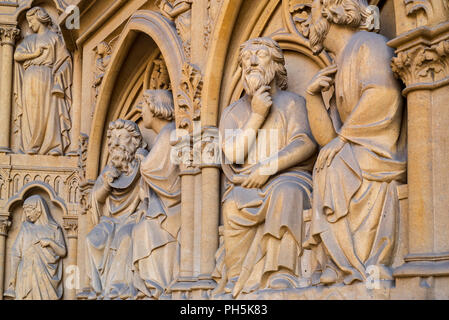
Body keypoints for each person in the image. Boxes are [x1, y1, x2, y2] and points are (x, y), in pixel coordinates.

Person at [303, 0, 407, 285]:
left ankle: (354, 264)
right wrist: (313, 97)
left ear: (331, 10)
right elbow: (328, 141)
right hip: (357, 148)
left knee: (334, 165)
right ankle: (340, 263)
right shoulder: (339, 63)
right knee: (329, 161)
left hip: (379, 150)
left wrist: (344, 140)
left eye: (311, 11)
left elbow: (383, 94)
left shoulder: (368, 44)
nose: (305, 20)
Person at [216, 37, 317, 297]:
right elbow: (234, 153)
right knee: (232, 206)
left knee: (286, 193)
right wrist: (257, 115)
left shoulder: (293, 102)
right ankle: (238, 277)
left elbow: (305, 143)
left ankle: (280, 270)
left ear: (275, 64)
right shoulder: (232, 112)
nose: (250, 62)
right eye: (245, 59)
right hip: (247, 185)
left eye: (259, 55)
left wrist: (267, 168)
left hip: (288, 177)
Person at [80, 119, 147, 300]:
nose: (116, 143)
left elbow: (147, 194)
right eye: (113, 139)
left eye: (122, 138)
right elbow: (96, 199)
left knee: (125, 238)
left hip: (132, 219)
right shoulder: (109, 169)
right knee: (92, 239)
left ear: (134, 142)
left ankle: (120, 289)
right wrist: (107, 185)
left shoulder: (142, 165)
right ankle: (96, 289)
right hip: (110, 221)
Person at [132, 89, 181, 299]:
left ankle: (159, 286)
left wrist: (144, 162)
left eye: (143, 105)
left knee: (145, 230)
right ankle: (154, 287)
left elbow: (164, 175)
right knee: (141, 228)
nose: (141, 111)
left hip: (174, 208)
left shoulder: (170, 134)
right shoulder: (163, 136)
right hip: (163, 206)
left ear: (155, 107)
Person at [13, 6, 72, 155]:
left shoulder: (54, 38)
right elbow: (16, 56)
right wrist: (34, 54)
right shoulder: (29, 39)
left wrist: (59, 76)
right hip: (30, 78)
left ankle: (52, 145)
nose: (30, 24)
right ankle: (30, 146)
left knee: (49, 111)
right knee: (32, 113)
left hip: (48, 76)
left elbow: (65, 59)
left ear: (39, 18)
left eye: (31, 20)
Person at [4, 195, 66, 300]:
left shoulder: (55, 229)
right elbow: (16, 253)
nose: (27, 215)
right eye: (25, 212)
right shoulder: (25, 228)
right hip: (26, 277)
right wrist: (12, 278)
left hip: (47, 279)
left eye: (29, 211)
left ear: (38, 209)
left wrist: (50, 242)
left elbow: (63, 252)